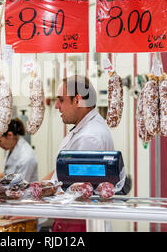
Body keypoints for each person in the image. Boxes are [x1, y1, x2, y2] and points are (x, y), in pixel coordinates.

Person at [43, 75, 115, 232]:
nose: (56, 106)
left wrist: (35, 205)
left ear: (77, 100)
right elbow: (61, 172)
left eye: (61, 100)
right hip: (73, 219)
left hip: (79, 223)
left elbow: (76, 190)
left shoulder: (90, 137)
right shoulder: (86, 128)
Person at [0, 118, 38, 183]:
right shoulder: (11, 148)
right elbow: (7, 173)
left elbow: (20, 187)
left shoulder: (26, 157)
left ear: (10, 135)